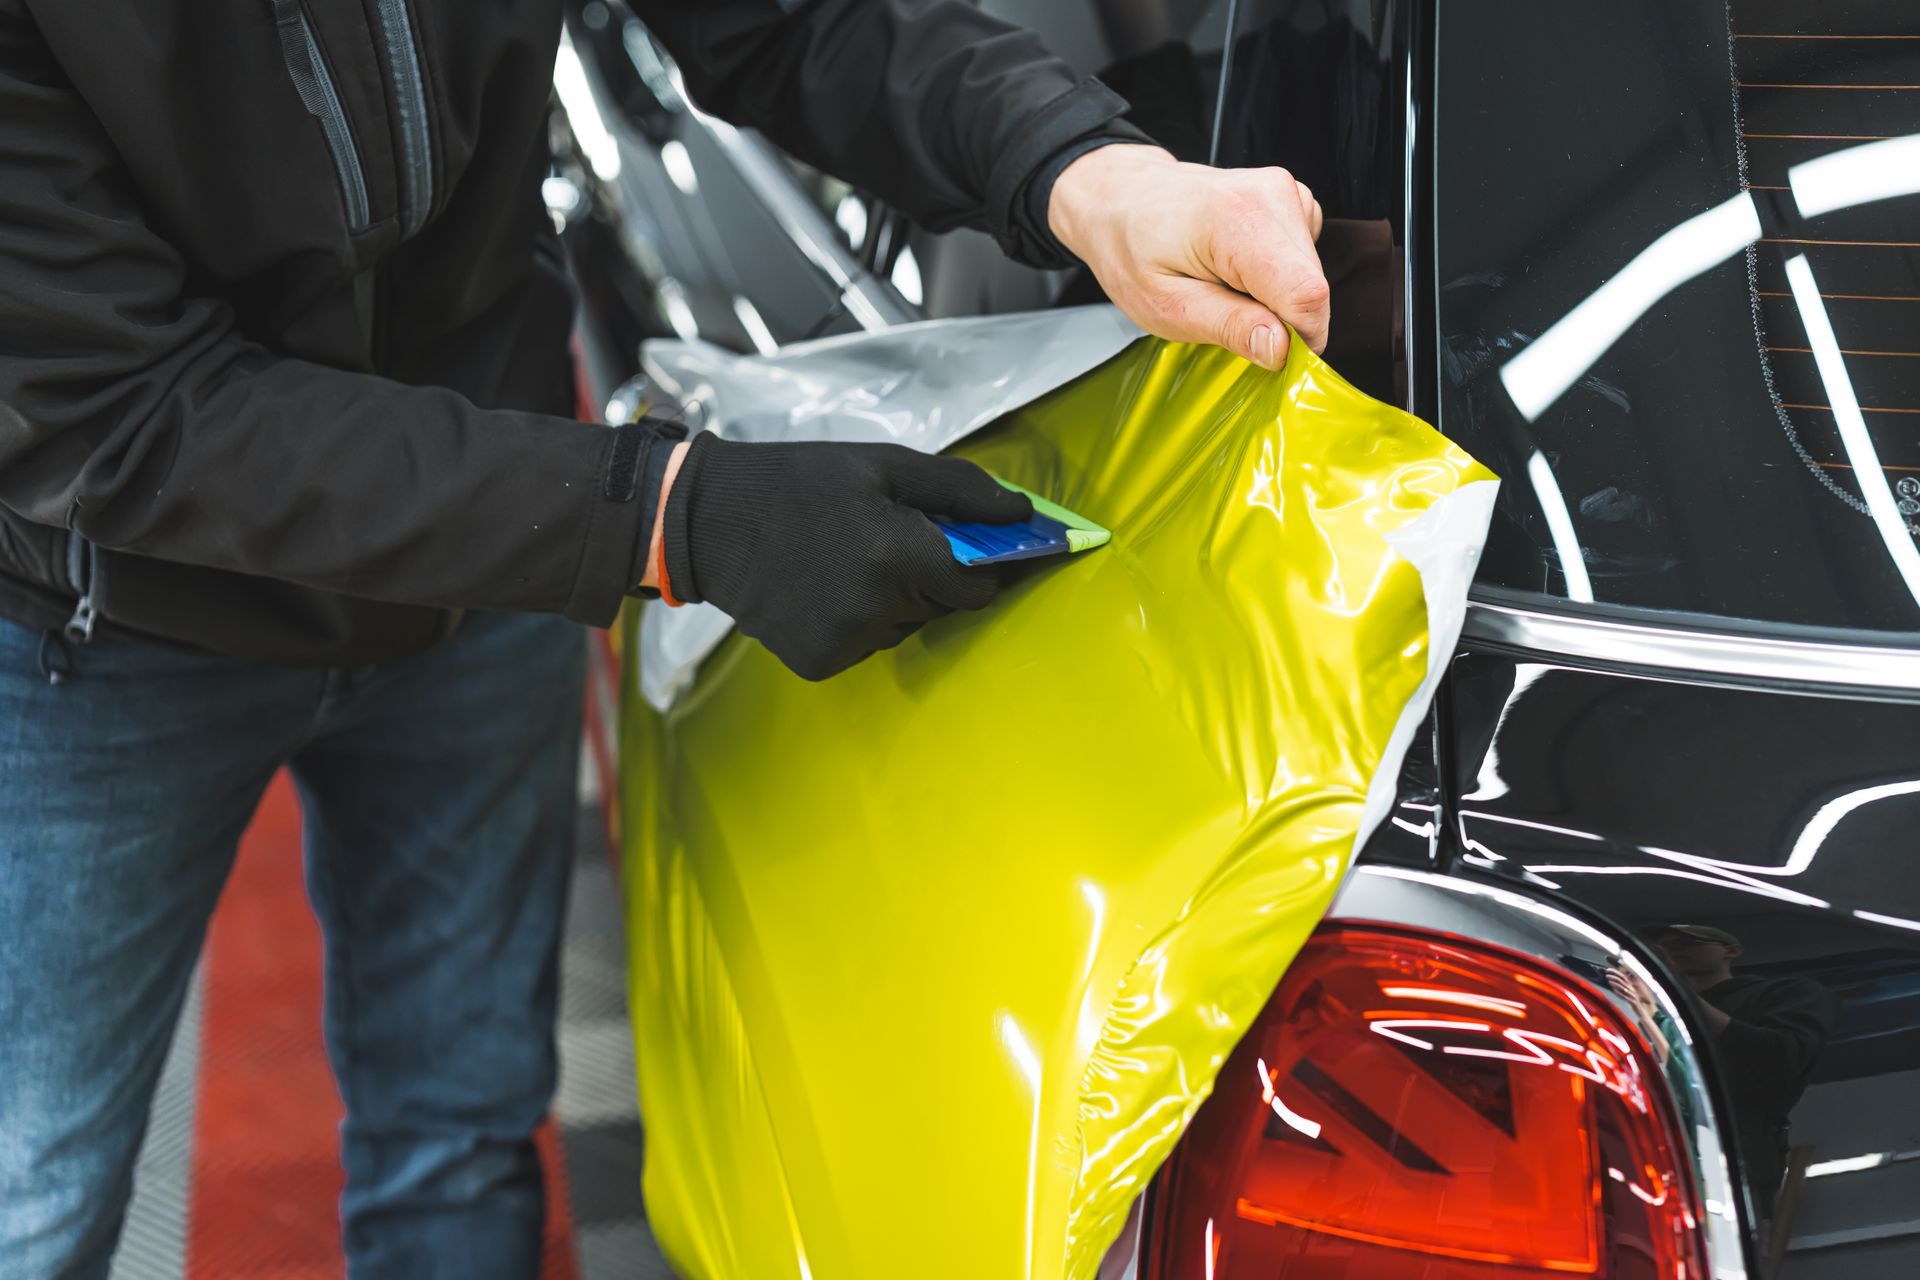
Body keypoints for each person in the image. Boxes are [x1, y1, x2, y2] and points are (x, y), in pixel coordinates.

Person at [0, 1, 1329, 1274]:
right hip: (115, 628)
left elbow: (796, 19)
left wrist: (1087, 170)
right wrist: (665, 514)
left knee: (460, 1128)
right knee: (33, 1191)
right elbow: (124, 410)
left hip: (479, 574)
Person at [1650, 924, 1838, 1219]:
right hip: (1660, 1162)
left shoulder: (1783, 993)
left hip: (1737, 1163)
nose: (1674, 948)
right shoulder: (1653, 1008)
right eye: (1666, 943)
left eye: (1690, 941)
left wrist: (1682, 995)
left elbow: (1778, 1058)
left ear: (1731, 951)